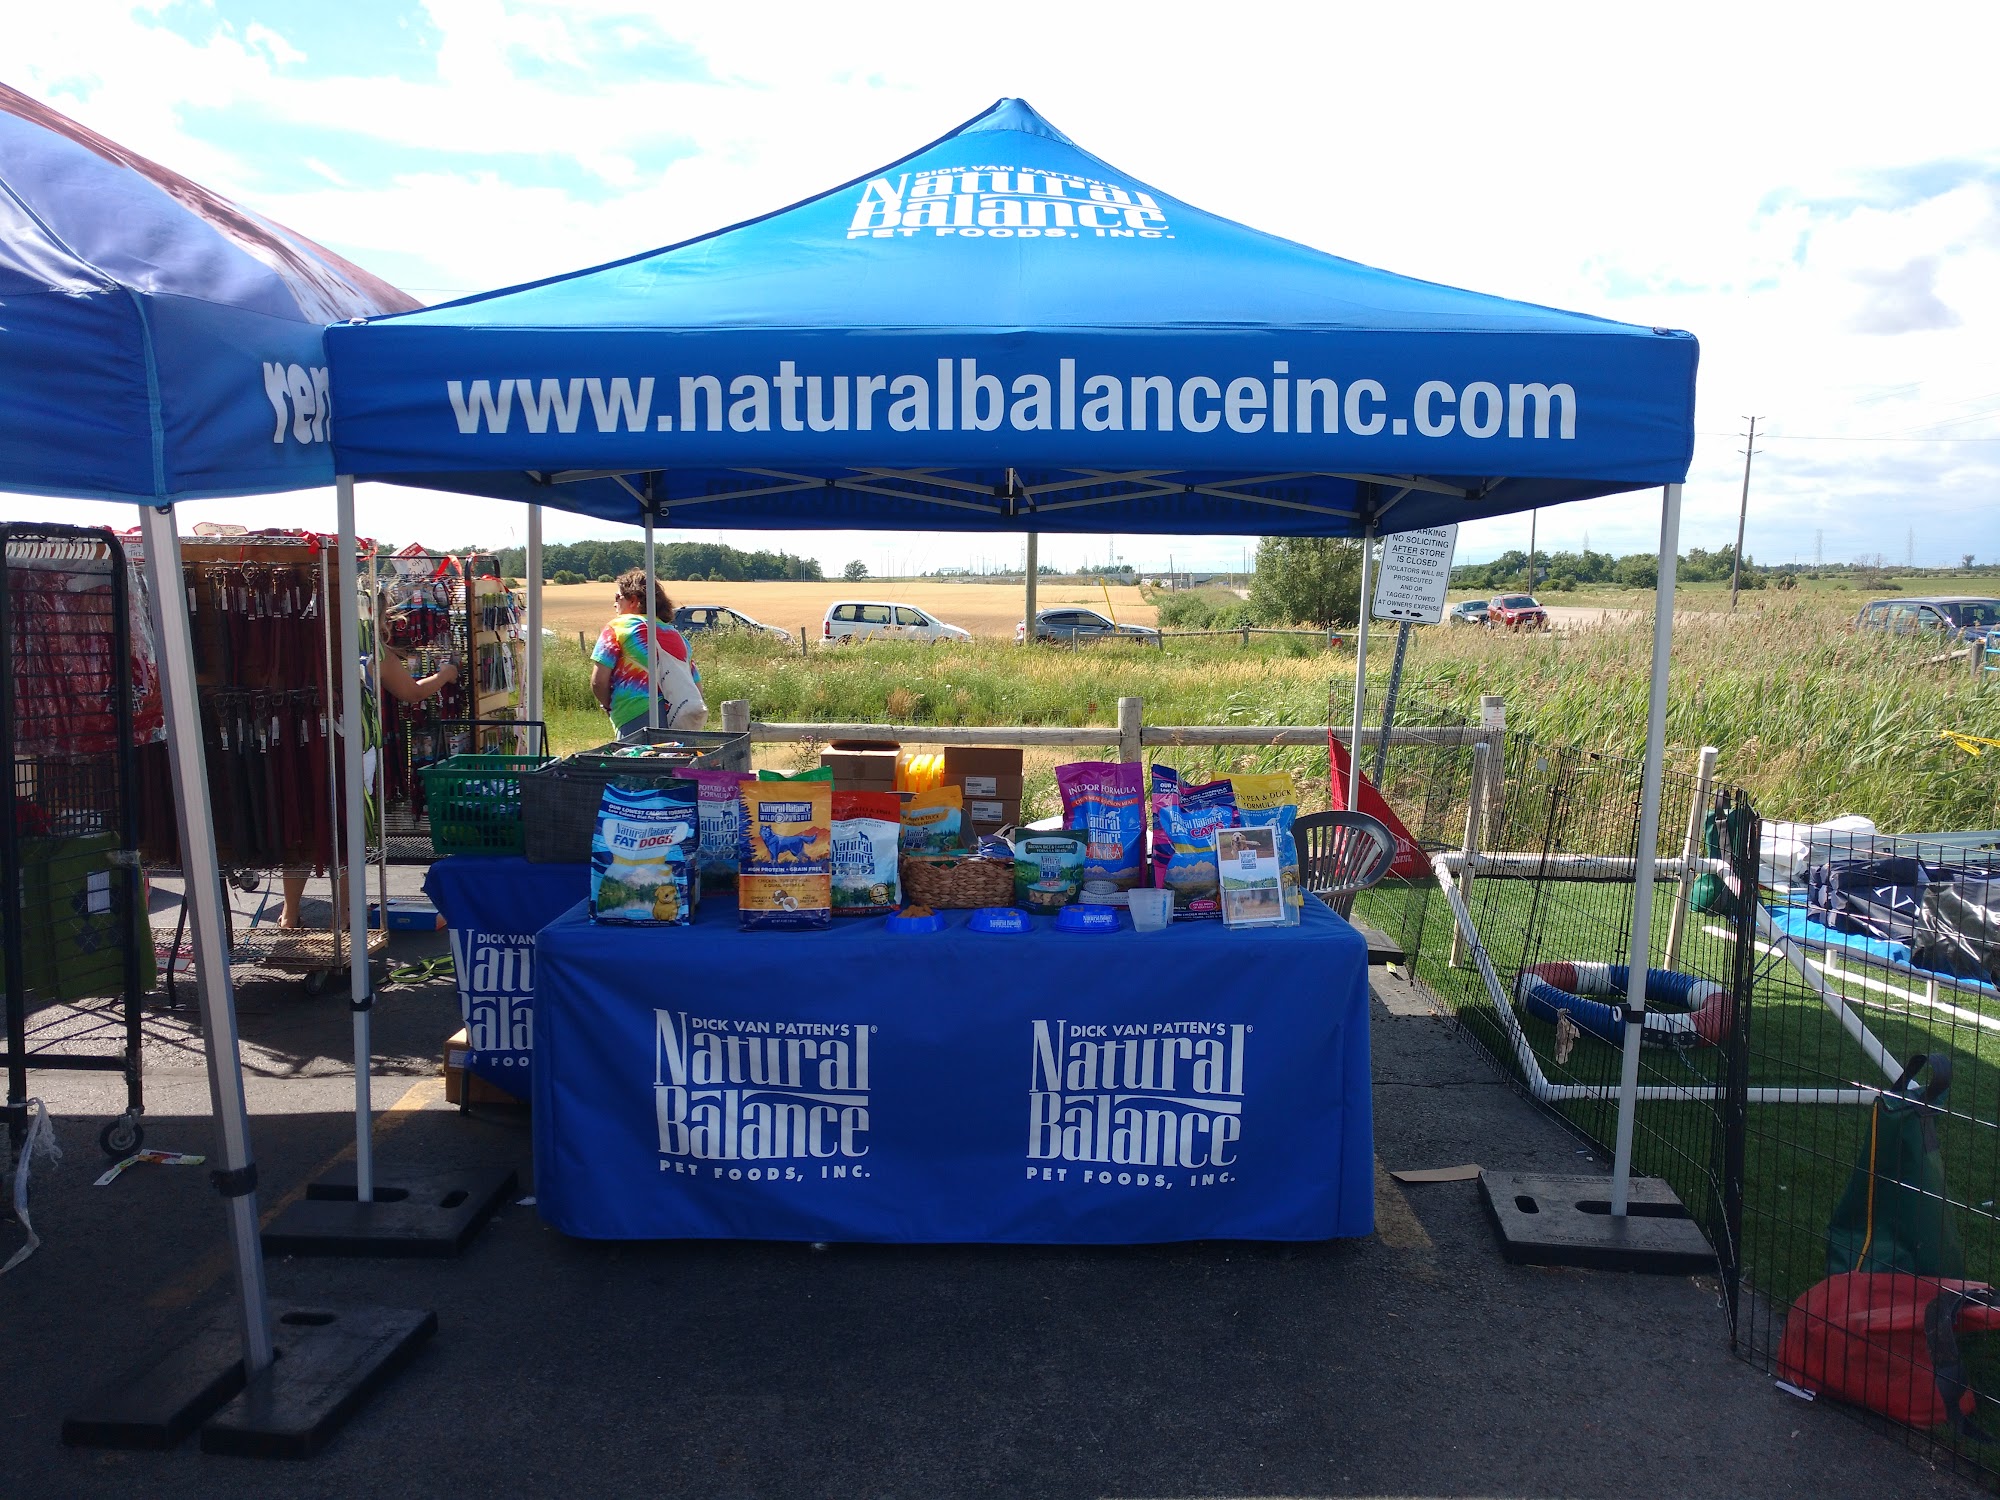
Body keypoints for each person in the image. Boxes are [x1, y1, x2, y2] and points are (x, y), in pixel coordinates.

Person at [279, 604, 458, 928]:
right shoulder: (369, 647)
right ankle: (342, 915)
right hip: (354, 748)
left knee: (305, 828)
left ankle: (290, 914)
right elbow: (411, 692)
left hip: (305, 744)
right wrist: (446, 674)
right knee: (350, 829)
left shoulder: (302, 638)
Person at [591, 568, 706, 739]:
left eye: (618, 597)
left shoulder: (618, 627)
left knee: (638, 757)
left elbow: (598, 681)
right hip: (678, 717)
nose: (614, 604)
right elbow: (697, 687)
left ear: (634, 600)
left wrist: (609, 706)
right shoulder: (677, 636)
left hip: (634, 715)